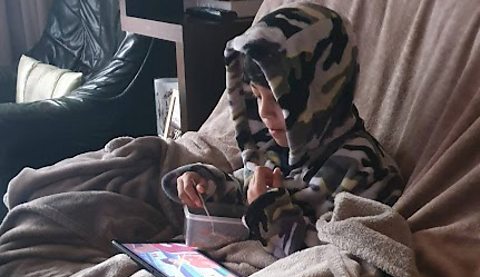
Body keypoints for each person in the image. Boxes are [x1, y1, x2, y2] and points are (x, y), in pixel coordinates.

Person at [162, 2, 404, 259]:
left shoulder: (366, 170)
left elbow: (342, 259)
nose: (264, 112)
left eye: (278, 99)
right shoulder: (274, 146)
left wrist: (269, 212)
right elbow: (244, 186)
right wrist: (206, 185)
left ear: (320, 97)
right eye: (256, 96)